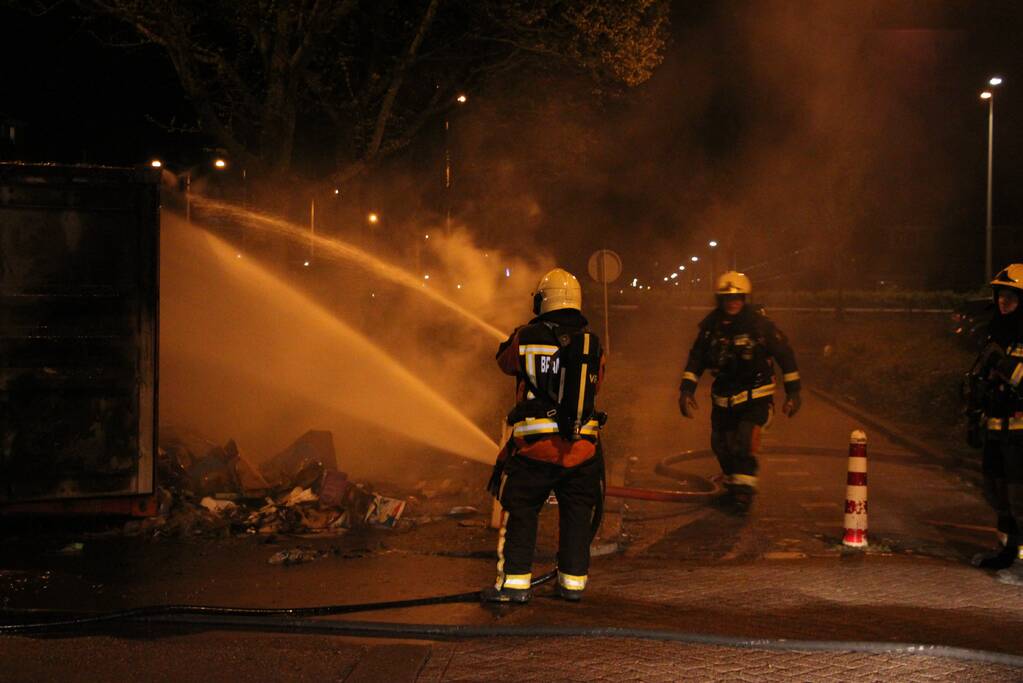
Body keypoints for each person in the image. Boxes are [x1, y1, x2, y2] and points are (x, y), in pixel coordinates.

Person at [482, 267, 606, 604]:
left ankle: (513, 586)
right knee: (578, 517)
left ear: (542, 301)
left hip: (536, 449)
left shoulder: (527, 336)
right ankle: (572, 585)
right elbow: (597, 381)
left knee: (521, 511)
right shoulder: (592, 342)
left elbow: (505, 362)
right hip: (582, 450)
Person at [677, 270, 801, 514]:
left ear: (745, 299)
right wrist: (686, 390)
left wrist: (793, 392)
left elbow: (785, 356)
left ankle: (743, 496)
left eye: (738, 297)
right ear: (719, 300)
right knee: (720, 445)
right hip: (723, 399)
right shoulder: (711, 328)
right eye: (727, 298)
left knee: (744, 441)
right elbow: (697, 359)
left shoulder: (760, 326)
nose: (732, 302)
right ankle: (734, 488)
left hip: (756, 397)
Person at [969, 264, 1023, 584]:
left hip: (1020, 433)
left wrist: (1003, 367)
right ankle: (1006, 549)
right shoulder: (997, 333)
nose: (1004, 302)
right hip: (996, 428)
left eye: (1011, 297)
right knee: (996, 491)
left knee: (1019, 496)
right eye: (1001, 296)